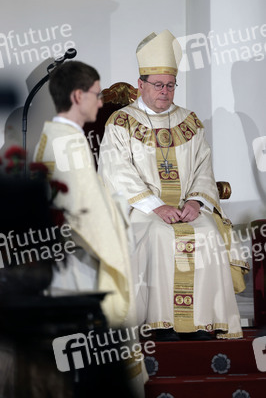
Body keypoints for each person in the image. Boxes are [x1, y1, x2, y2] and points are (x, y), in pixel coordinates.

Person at [98, 30, 250, 341]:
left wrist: (195, 202)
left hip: (187, 208)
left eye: (170, 85)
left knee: (208, 233)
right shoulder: (121, 122)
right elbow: (116, 172)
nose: (165, 92)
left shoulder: (189, 120)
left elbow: (203, 168)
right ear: (141, 84)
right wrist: (156, 206)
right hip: (141, 211)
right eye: (157, 85)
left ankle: (206, 323)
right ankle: (161, 324)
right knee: (157, 234)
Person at [33, 60, 148, 396]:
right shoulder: (67, 144)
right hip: (83, 271)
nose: (101, 103)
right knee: (89, 369)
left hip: (72, 264)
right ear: (77, 95)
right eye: (97, 95)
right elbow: (88, 215)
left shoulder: (57, 136)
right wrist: (120, 240)